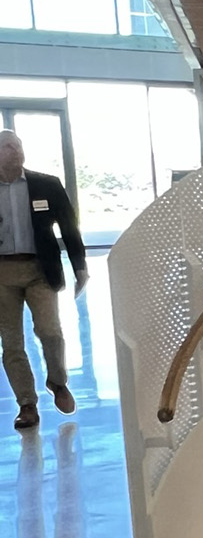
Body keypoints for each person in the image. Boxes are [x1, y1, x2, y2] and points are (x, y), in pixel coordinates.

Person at [0, 130, 86, 430]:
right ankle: (26, 404)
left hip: (39, 269)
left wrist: (80, 267)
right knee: (11, 343)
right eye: (7, 147)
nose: (15, 151)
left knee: (50, 331)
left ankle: (58, 381)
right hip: (2, 274)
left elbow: (69, 227)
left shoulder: (45, 184)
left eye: (18, 146)